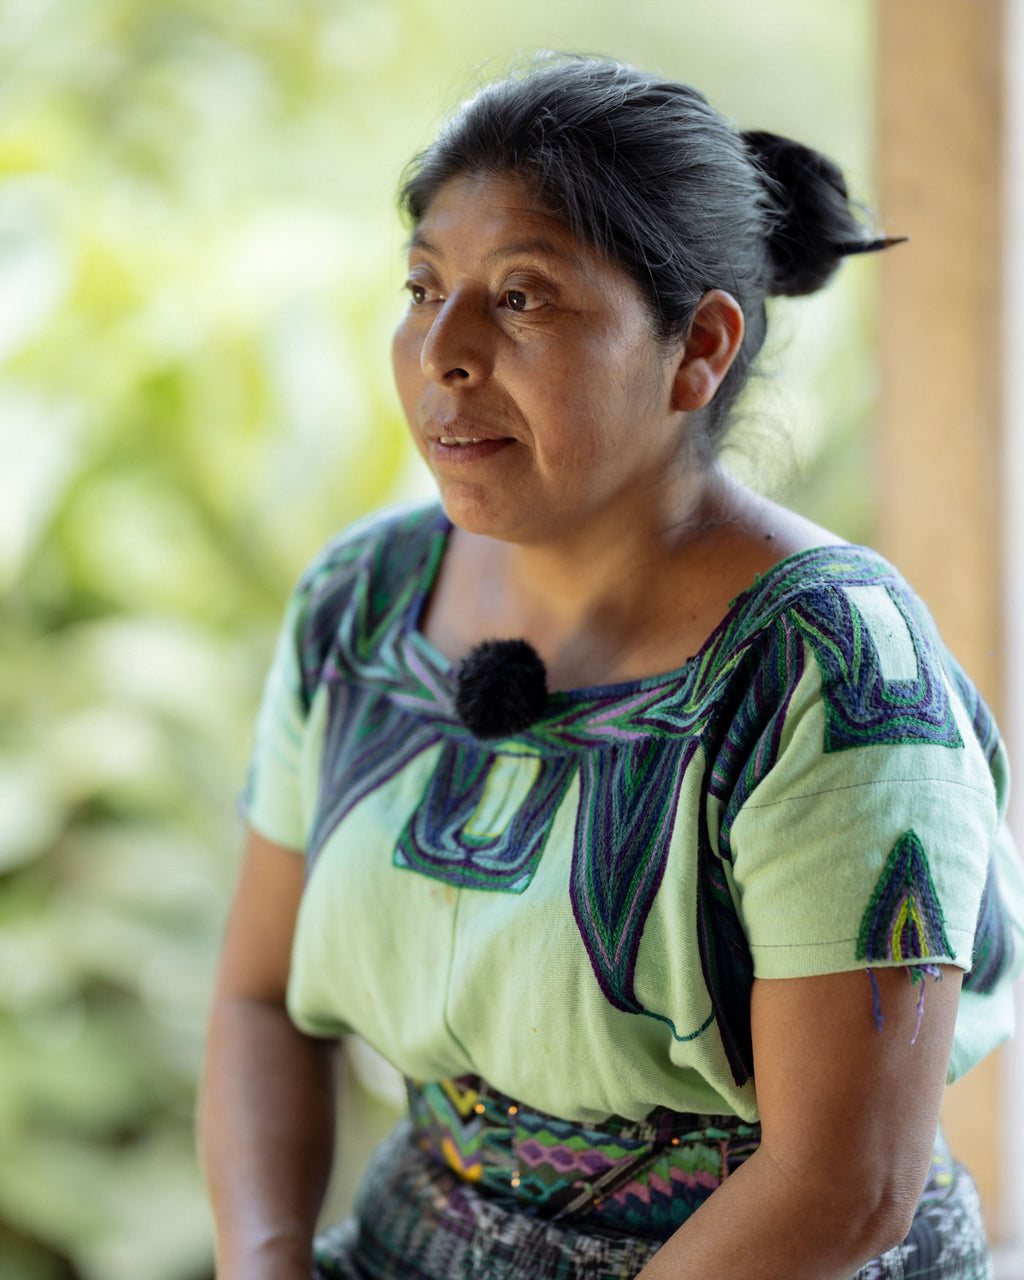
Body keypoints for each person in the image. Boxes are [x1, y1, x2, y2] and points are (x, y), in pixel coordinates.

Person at [198, 55, 1024, 1280]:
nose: (444, 350)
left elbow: (842, 1186)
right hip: (416, 1238)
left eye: (522, 299)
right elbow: (257, 999)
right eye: (424, 287)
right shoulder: (360, 605)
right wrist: (264, 1263)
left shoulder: (828, 670)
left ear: (695, 347)